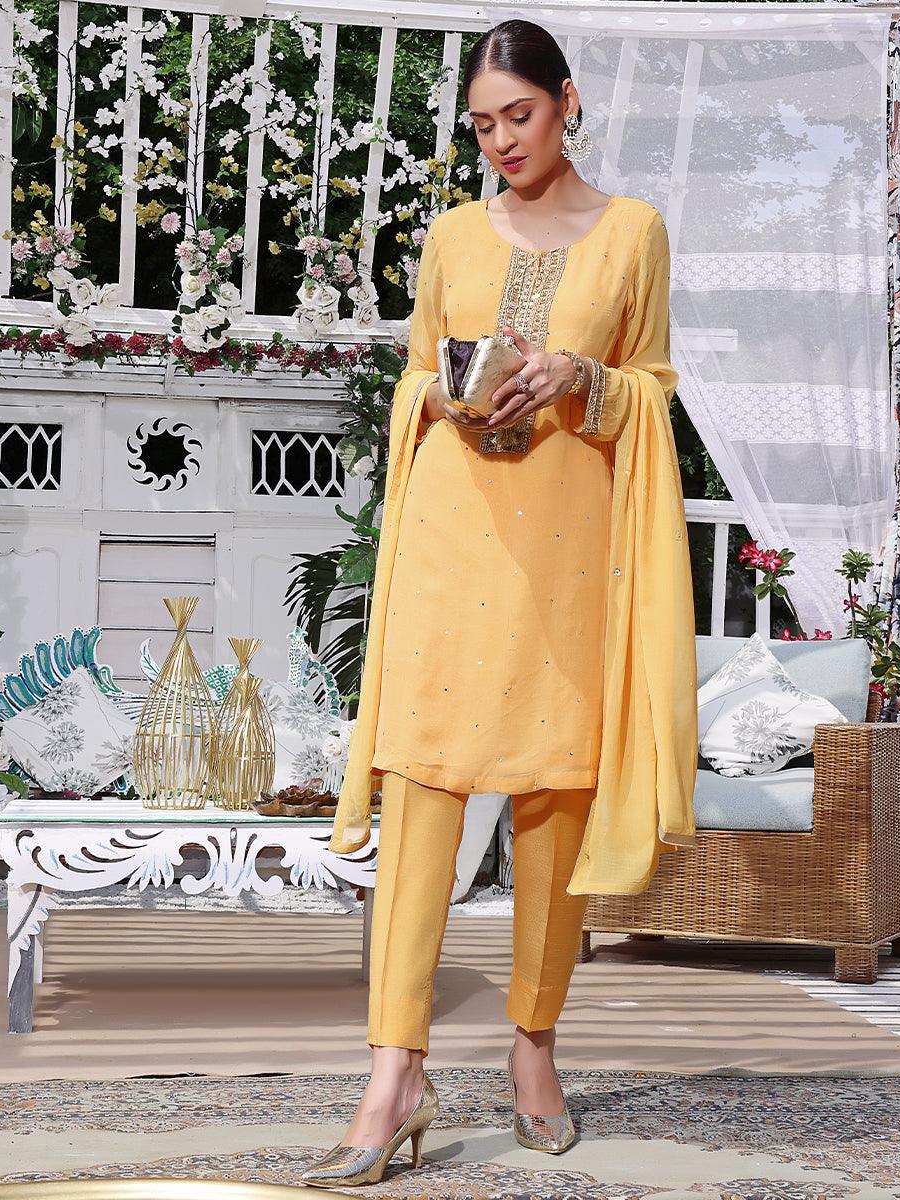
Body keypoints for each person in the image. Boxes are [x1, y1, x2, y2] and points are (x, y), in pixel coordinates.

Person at [300, 16, 697, 1189]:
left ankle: (533, 1045)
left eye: (517, 115)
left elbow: (653, 387)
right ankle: (393, 1070)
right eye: (480, 126)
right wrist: (444, 395)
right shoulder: (452, 235)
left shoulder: (632, 233)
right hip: (452, 535)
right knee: (424, 782)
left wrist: (581, 376)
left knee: (551, 793)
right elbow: (417, 376)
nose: (500, 141)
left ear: (566, 102)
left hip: (569, 551)